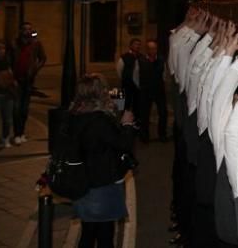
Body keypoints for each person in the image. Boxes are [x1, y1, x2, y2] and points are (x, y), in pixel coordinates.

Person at [68, 74, 136, 248]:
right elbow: (123, 144)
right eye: (104, 88)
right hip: (101, 184)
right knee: (105, 235)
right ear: (98, 93)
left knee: (88, 232)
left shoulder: (74, 115)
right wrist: (127, 124)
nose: (107, 92)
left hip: (81, 183)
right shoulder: (99, 120)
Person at [13, 22, 47, 144]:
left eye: (29, 29)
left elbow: (43, 58)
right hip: (16, 79)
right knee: (16, 108)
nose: (27, 31)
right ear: (21, 31)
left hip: (28, 80)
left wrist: (35, 69)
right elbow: (10, 59)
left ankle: (21, 132)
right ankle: (16, 133)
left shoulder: (36, 44)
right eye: (24, 29)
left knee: (24, 108)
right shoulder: (15, 44)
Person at [137, 39, 168, 142]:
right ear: (147, 49)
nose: (152, 50)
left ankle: (162, 135)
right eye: (150, 48)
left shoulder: (161, 60)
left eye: (154, 48)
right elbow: (135, 76)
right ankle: (144, 136)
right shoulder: (140, 60)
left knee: (163, 113)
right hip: (146, 90)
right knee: (144, 114)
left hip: (159, 90)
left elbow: (164, 75)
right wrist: (141, 86)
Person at [117, 39, 143, 123]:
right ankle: (124, 121)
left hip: (138, 86)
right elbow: (119, 70)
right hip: (127, 84)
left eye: (139, 44)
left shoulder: (141, 57)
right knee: (124, 104)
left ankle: (136, 120)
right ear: (131, 45)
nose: (137, 46)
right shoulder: (124, 57)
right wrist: (125, 79)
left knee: (137, 104)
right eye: (135, 44)